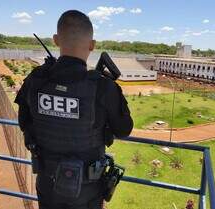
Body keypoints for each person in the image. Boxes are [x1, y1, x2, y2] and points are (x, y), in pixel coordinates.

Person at [14, 10, 133, 209]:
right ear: (92, 45)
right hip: (87, 192)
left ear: (55, 40)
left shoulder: (36, 79)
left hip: (47, 186)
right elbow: (124, 130)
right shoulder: (104, 87)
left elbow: (24, 122)